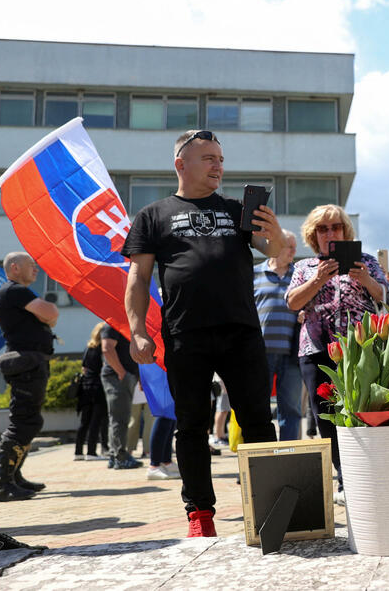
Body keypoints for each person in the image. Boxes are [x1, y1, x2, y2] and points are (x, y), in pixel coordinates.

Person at [123, 129, 281, 537]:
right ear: (181, 164)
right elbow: (138, 278)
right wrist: (138, 331)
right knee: (190, 426)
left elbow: (275, 251)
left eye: (220, 158)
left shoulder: (235, 209)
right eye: (208, 157)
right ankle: (200, 515)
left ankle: (270, 507)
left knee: (258, 422)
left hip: (241, 332)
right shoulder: (153, 215)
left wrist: (277, 235)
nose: (218, 165)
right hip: (184, 335)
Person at [285, 204, 389, 504]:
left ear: (346, 231)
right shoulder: (304, 267)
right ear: (313, 235)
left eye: (336, 227)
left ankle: (368, 473)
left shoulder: (367, 262)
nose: (330, 233)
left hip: (359, 349)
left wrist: (367, 281)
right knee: (326, 416)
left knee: (363, 411)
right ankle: (345, 478)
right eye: (322, 228)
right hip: (317, 350)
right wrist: (318, 279)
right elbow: (292, 303)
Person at [0, 252, 58, 502]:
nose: (37, 270)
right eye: (32, 265)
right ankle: (3, 484)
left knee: (30, 420)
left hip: (31, 363)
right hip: (26, 365)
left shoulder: (17, 292)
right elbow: (50, 312)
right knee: (23, 421)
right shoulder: (15, 291)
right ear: (15, 267)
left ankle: (14, 477)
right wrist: (45, 314)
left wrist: (45, 314)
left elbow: (48, 314)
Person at [254, 229, 304, 441]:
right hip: (259, 354)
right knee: (258, 408)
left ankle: (290, 458)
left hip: (292, 353)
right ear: (274, 245)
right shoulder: (253, 273)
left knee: (291, 409)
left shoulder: (300, 275)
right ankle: (261, 458)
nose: (293, 251)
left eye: (294, 247)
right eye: (288, 246)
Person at [100, 323, 143, 470]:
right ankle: (120, 457)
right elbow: (107, 348)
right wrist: (122, 373)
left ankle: (115, 455)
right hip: (117, 377)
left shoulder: (121, 324)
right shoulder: (111, 325)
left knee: (119, 418)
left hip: (123, 376)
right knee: (119, 418)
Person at [75, 322, 109, 460]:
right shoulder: (103, 348)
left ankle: (78, 452)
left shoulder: (88, 348)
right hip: (98, 386)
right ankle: (91, 452)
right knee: (96, 420)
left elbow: (84, 368)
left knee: (84, 421)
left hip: (85, 387)